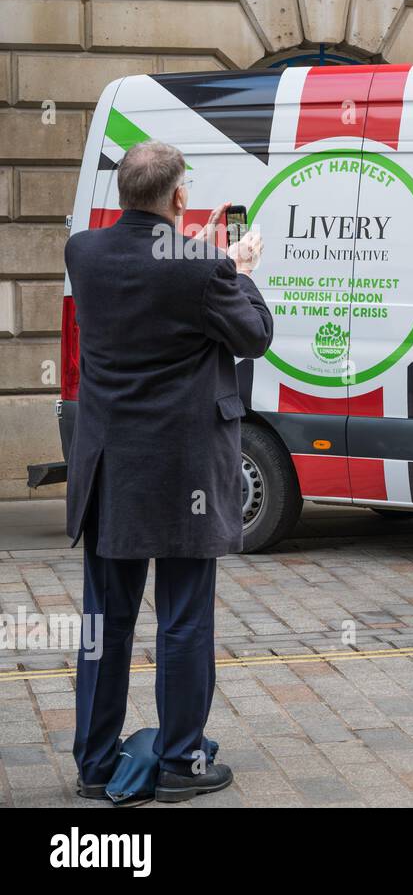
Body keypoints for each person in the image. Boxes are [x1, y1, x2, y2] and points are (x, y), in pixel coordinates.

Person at [66, 140, 272, 803]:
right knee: (184, 618)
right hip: (182, 472)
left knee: (106, 621)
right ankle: (181, 760)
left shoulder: (83, 253)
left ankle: (96, 763)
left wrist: (197, 250)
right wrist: (236, 267)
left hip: (108, 469)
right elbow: (254, 336)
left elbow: (145, 266)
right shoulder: (207, 268)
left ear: (123, 192)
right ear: (179, 197)